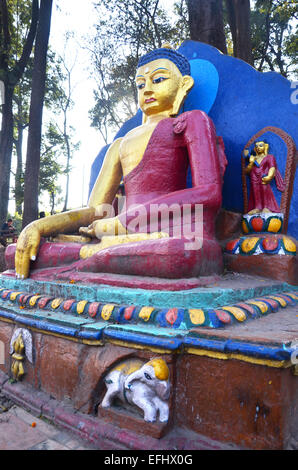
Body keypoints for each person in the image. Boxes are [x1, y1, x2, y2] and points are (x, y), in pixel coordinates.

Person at [13, 45, 227, 281]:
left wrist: (123, 221)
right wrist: (38, 227)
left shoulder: (192, 121)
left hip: (166, 231)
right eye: (140, 84)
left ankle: (97, 254)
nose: (147, 90)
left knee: (176, 253)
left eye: (158, 79)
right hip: (119, 234)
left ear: (184, 84)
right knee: (18, 251)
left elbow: (209, 193)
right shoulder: (120, 144)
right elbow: (95, 210)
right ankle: (101, 254)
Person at [244, 141, 285, 214]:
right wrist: (251, 163)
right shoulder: (253, 158)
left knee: (265, 190)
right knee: (255, 191)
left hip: (263, 176)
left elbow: (272, 167)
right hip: (254, 176)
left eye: (260, 145)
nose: (258, 147)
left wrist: (269, 176)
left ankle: (266, 206)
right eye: (256, 146)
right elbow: (246, 171)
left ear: (265, 147)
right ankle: (257, 207)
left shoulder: (269, 157)